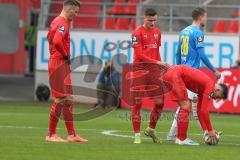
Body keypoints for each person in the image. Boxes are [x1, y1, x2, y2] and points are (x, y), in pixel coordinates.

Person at [167, 7, 221, 141]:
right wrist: (214, 70)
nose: (206, 19)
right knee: (185, 106)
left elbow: (178, 53)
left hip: (182, 70)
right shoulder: (198, 33)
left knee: (194, 106)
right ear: (201, 17)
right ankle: (173, 135)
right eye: (206, 17)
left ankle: (206, 131)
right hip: (191, 73)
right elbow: (202, 54)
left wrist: (177, 68)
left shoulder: (183, 31)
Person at [46, 0, 88, 143]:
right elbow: (57, 41)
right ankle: (51, 134)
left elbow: (50, 38)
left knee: (69, 99)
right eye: (75, 12)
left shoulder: (56, 21)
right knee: (61, 99)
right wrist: (65, 55)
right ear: (69, 9)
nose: (76, 15)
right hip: (59, 62)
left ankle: (71, 134)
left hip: (59, 62)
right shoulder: (63, 23)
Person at [162, 65, 228, 145]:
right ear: (218, 90)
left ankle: (180, 138)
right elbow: (204, 110)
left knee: (185, 106)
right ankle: (181, 138)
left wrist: (206, 131)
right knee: (186, 105)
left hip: (171, 74)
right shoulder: (210, 86)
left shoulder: (205, 88)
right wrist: (210, 130)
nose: (214, 99)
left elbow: (199, 111)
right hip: (175, 74)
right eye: (217, 96)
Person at [130, 8, 164, 144]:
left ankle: (151, 129)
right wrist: (157, 62)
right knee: (138, 103)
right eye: (150, 20)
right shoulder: (136, 33)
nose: (152, 23)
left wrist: (159, 66)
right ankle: (137, 134)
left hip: (154, 71)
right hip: (139, 71)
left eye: (154, 20)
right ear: (144, 19)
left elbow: (156, 51)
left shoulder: (157, 32)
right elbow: (139, 55)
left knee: (160, 103)